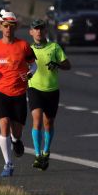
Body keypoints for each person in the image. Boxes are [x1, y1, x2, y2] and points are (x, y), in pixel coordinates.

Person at [0, 11, 35, 177]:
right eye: (5, 26)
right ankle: (8, 164)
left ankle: (16, 141)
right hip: (0, 92)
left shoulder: (24, 46)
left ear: (15, 28)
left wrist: (30, 74)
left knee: (16, 131)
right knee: (3, 124)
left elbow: (34, 65)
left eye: (11, 26)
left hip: (18, 93)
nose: (8, 29)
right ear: (1, 27)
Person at [27, 18, 71, 170]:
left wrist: (57, 64)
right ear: (31, 32)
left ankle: (46, 151)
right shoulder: (28, 49)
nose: (38, 32)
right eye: (35, 29)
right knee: (37, 119)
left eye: (41, 29)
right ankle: (38, 155)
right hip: (34, 89)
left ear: (45, 31)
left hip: (52, 90)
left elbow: (68, 65)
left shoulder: (54, 47)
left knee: (48, 123)